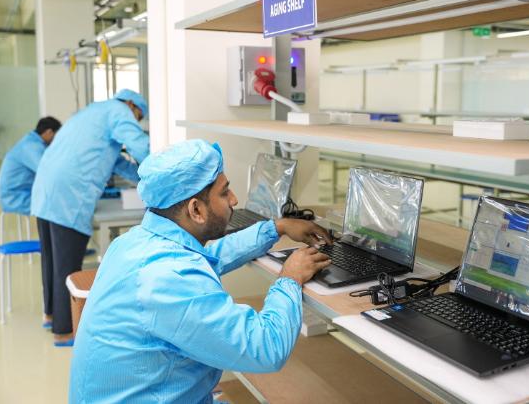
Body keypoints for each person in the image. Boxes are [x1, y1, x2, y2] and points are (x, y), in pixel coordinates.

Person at [69, 139, 332, 403]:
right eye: (224, 193)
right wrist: (290, 278)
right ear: (195, 209)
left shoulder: (134, 242)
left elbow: (207, 258)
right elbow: (265, 348)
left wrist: (276, 228)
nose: (234, 200)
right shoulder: (171, 277)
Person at [31, 89, 150, 346]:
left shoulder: (94, 111)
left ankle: (51, 315)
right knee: (67, 265)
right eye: (139, 116)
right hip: (68, 193)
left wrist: (144, 176)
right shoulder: (119, 111)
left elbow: (117, 163)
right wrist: (162, 170)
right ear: (132, 105)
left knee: (51, 260)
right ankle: (65, 330)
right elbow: (141, 146)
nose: (136, 121)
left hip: (46, 188)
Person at [0, 117, 61, 216]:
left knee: (54, 199)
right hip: (15, 198)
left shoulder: (31, 142)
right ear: (49, 132)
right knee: (57, 203)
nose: (56, 140)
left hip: (19, 195)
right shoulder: (32, 147)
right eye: (57, 135)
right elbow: (48, 172)